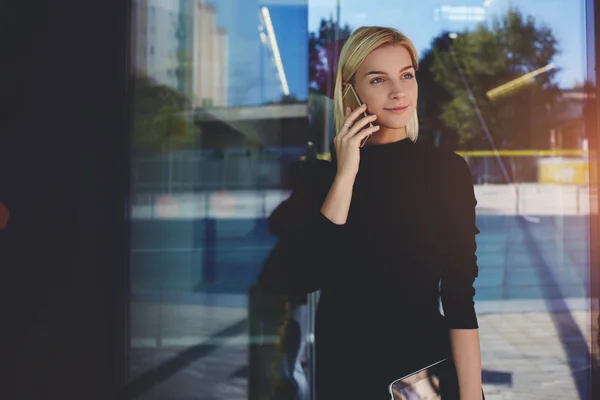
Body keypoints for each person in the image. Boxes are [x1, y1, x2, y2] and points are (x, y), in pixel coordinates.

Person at [270, 26, 483, 399]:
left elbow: (459, 296)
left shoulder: (445, 171)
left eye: (406, 75)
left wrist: (470, 395)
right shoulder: (322, 177)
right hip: (346, 378)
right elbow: (302, 277)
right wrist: (346, 173)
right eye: (378, 79)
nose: (399, 91)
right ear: (349, 91)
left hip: (420, 376)